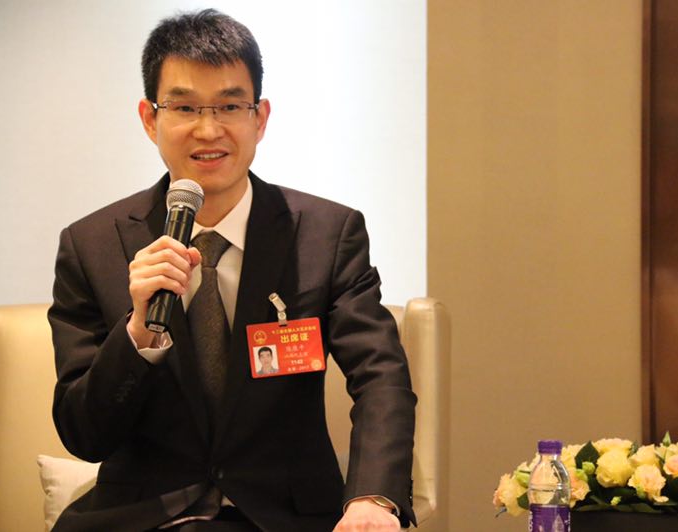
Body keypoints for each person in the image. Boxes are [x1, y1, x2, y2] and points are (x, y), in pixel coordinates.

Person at [48, 9, 416, 532]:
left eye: (229, 105)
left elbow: (380, 377)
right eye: (184, 107)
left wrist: (373, 499)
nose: (208, 129)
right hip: (144, 517)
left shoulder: (327, 235)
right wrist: (137, 333)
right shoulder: (92, 245)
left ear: (259, 118)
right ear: (150, 119)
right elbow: (85, 435)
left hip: (282, 516)